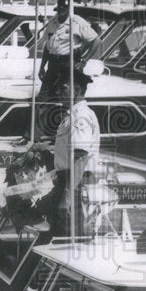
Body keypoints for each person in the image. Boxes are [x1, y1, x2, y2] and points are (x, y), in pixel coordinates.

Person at [45, 67, 100, 237]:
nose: (58, 92)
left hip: (75, 184)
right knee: (60, 233)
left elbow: (80, 157)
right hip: (70, 182)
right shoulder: (74, 114)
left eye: (63, 88)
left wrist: (67, 197)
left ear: (76, 89)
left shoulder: (80, 117)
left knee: (68, 238)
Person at [37, 0, 100, 101]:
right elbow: (48, 46)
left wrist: (84, 61)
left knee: (66, 98)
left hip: (69, 64)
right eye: (60, 6)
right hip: (53, 65)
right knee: (43, 97)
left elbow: (96, 40)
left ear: (69, 8)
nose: (61, 9)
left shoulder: (77, 22)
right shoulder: (52, 22)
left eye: (64, 7)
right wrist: (42, 66)